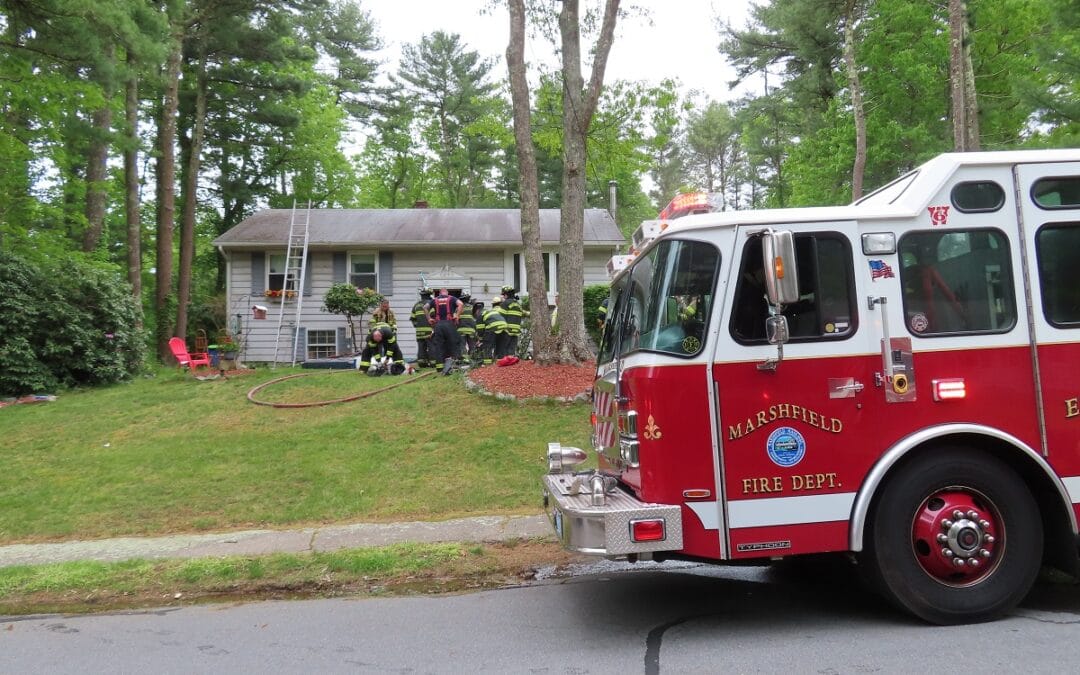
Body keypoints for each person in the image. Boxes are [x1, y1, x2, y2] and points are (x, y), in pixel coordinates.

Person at [426, 287, 463, 375]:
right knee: (453, 344)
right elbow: (461, 304)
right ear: (447, 292)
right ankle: (454, 365)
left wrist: (429, 318)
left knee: (439, 346)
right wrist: (457, 315)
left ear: (439, 293)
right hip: (449, 323)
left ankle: (439, 368)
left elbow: (425, 307)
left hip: (438, 325)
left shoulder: (434, 300)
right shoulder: (452, 298)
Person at [500, 285, 527, 356]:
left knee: (504, 350)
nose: (503, 296)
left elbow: (500, 317)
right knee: (511, 350)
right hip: (516, 330)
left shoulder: (505, 303)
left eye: (503, 295)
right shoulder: (517, 304)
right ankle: (511, 364)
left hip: (507, 330)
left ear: (506, 295)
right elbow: (524, 313)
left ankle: (505, 365)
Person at [479, 297, 508, 364]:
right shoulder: (502, 311)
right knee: (500, 347)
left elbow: (480, 329)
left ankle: (487, 365)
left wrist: (481, 339)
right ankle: (500, 364)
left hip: (492, 328)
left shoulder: (484, 313)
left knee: (487, 346)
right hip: (504, 328)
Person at [411, 288, 434, 367]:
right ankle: (433, 363)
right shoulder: (430, 304)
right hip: (429, 330)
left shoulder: (416, 305)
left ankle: (421, 363)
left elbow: (412, 318)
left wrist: (417, 326)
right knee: (431, 346)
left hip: (419, 331)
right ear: (429, 295)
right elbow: (433, 316)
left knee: (421, 347)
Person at [456, 292, 477, 363]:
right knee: (472, 345)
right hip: (471, 330)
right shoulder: (473, 308)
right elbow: (476, 319)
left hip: (461, 330)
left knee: (462, 345)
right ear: (468, 299)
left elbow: (455, 319)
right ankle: (473, 359)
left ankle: (464, 360)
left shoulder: (458, 308)